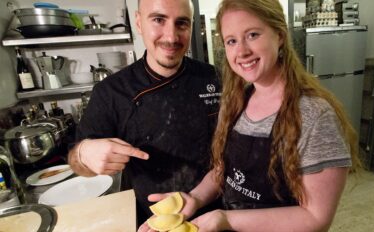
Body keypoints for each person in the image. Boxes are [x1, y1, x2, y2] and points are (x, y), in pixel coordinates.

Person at [140, 0, 361, 231]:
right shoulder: (237, 101)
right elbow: (223, 171)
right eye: (231, 41)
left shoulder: (314, 116)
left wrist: (226, 219)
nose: (242, 51)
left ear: (280, 35)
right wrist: (194, 198)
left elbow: (316, 218)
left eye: (253, 35)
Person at [67, 0, 221, 225]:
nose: (171, 37)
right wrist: (84, 153)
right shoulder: (111, 92)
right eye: (158, 20)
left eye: (182, 23)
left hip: (215, 210)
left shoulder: (213, 78)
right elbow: (75, 160)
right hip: (155, 218)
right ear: (139, 23)